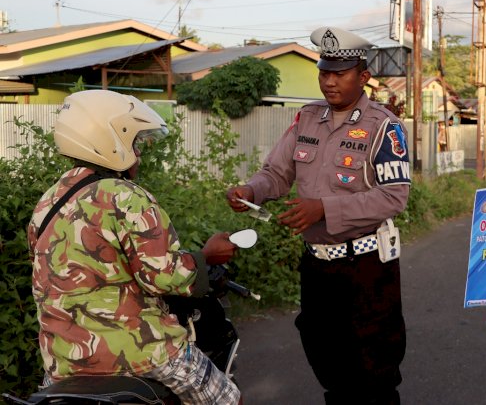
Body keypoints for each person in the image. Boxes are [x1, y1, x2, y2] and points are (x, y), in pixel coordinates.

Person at [226, 27, 410, 404]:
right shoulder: (307, 119)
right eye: (324, 72)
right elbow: (276, 173)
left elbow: (394, 197)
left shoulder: (384, 126)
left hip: (367, 268)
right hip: (317, 268)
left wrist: (324, 208)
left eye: (339, 73)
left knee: (375, 378)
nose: (329, 82)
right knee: (331, 371)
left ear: (363, 76)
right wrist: (251, 190)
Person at [27, 90, 241, 404]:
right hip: (140, 350)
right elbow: (163, 277)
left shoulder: (48, 202)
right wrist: (206, 256)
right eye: (135, 143)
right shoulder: (127, 196)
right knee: (229, 399)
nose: (138, 154)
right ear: (111, 140)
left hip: (63, 359)